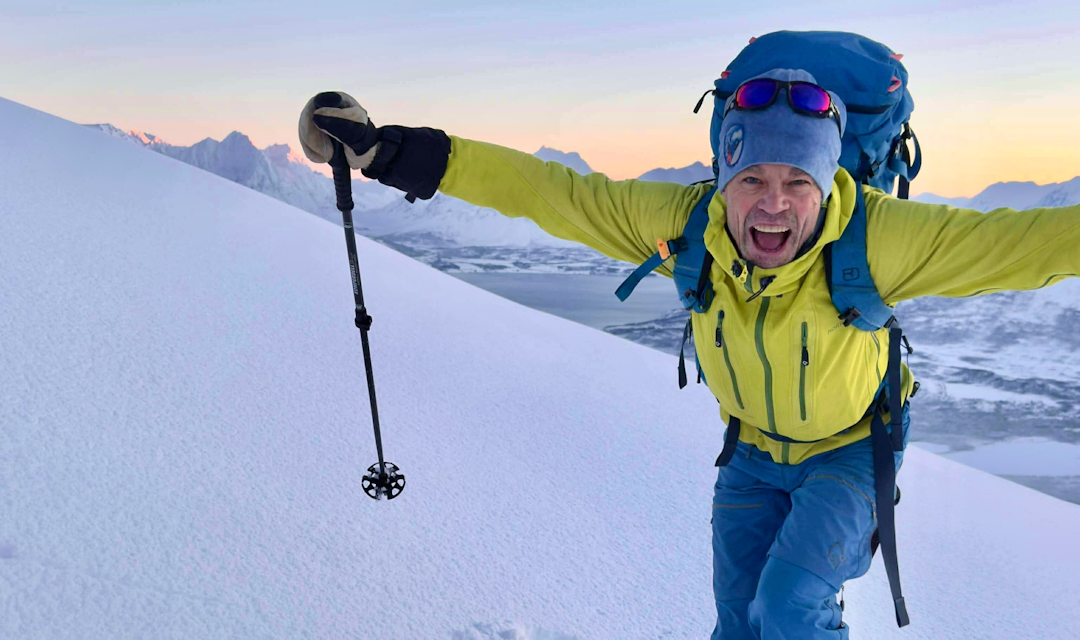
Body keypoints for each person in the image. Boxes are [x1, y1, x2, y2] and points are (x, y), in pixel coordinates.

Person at [297, 68, 1080, 638]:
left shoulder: (880, 239)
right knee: (738, 623)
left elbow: (1024, 243)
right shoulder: (685, 222)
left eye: (797, 181)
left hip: (850, 453)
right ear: (723, 176)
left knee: (790, 605)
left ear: (827, 181)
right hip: (748, 454)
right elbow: (551, 192)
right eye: (753, 179)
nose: (773, 202)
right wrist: (395, 154)